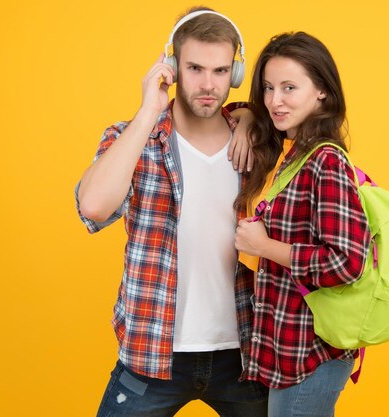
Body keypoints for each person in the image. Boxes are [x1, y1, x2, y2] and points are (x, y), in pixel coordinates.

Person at [75, 7, 267, 417]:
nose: (208, 85)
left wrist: (252, 118)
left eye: (219, 71)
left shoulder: (255, 144)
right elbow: (93, 207)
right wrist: (148, 112)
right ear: (172, 66)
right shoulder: (134, 138)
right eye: (195, 68)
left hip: (244, 354)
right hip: (153, 351)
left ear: (234, 73)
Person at [234, 32, 371, 417]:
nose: (275, 101)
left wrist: (264, 248)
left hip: (314, 354)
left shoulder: (326, 162)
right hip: (289, 351)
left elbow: (347, 263)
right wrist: (246, 116)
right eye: (268, 87)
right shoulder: (292, 155)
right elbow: (231, 110)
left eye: (289, 87)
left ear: (322, 92)